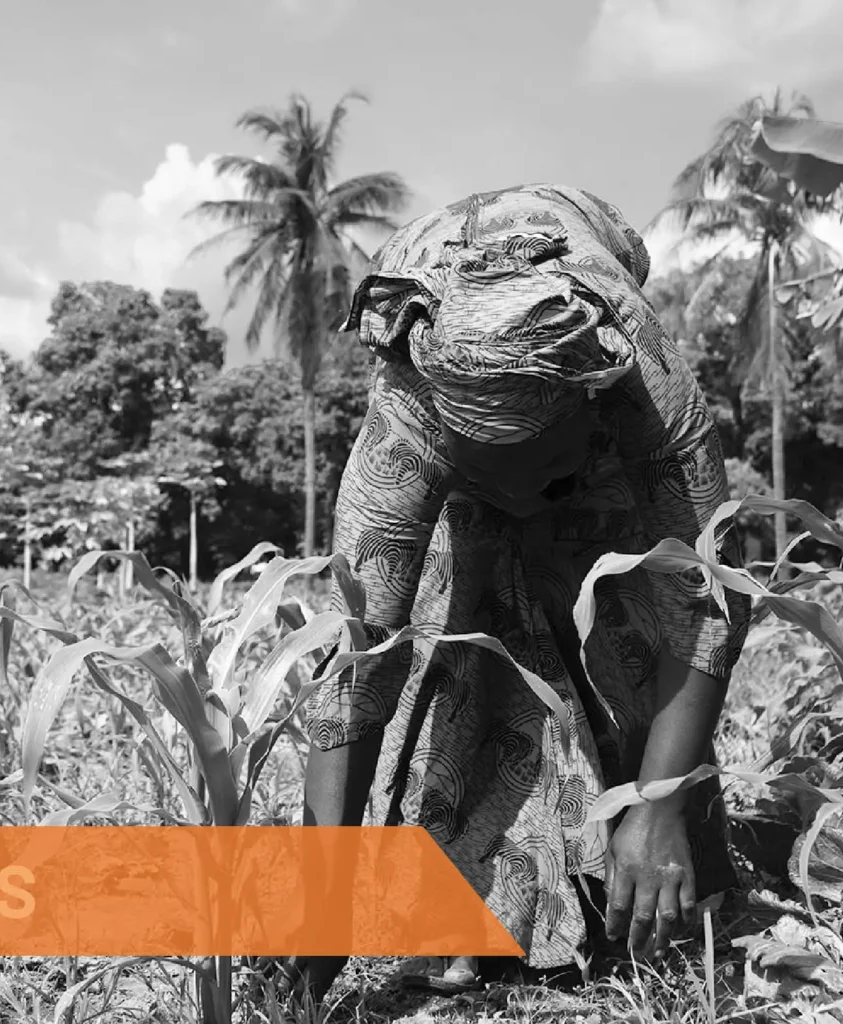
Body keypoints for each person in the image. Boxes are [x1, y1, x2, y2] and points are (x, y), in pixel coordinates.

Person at [295, 183, 753, 996]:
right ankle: (477, 906)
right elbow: (362, 662)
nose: (522, 495)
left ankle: (648, 869)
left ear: (586, 410)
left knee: (628, 617)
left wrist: (658, 802)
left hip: (603, 451)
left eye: (543, 464)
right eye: (494, 473)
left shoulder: (640, 380)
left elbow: (711, 594)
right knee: (455, 626)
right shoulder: (407, 426)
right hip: (471, 442)